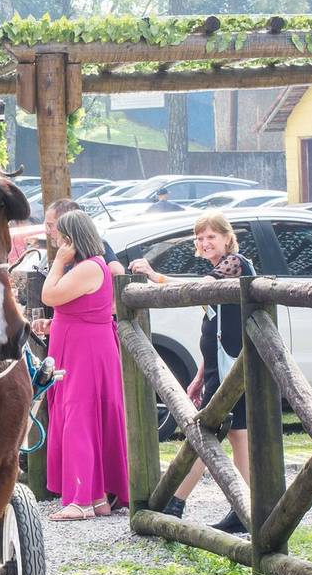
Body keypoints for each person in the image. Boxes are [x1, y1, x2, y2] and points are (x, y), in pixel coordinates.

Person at [129, 211, 254, 533]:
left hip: (233, 370)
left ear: (227, 238)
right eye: (200, 238)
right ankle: (247, 508)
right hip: (219, 368)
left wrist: (156, 276)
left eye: (211, 236)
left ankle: (175, 503)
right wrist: (200, 373)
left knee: (203, 436)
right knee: (236, 437)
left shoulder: (234, 263)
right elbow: (217, 330)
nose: (204, 242)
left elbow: (199, 288)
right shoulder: (217, 270)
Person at [41, 210, 128, 520]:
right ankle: (97, 496)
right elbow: (76, 308)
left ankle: (81, 500)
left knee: (79, 417)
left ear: (71, 239)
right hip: (81, 347)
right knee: (84, 417)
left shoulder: (89, 267)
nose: (54, 240)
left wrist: (58, 262)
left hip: (85, 353)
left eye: (59, 236)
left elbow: (49, 294)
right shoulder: (88, 268)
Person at [31, 199, 123, 337]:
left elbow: (117, 271)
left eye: (51, 225)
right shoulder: (75, 258)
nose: (48, 231)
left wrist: (110, 308)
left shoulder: (91, 260)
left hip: (88, 337)